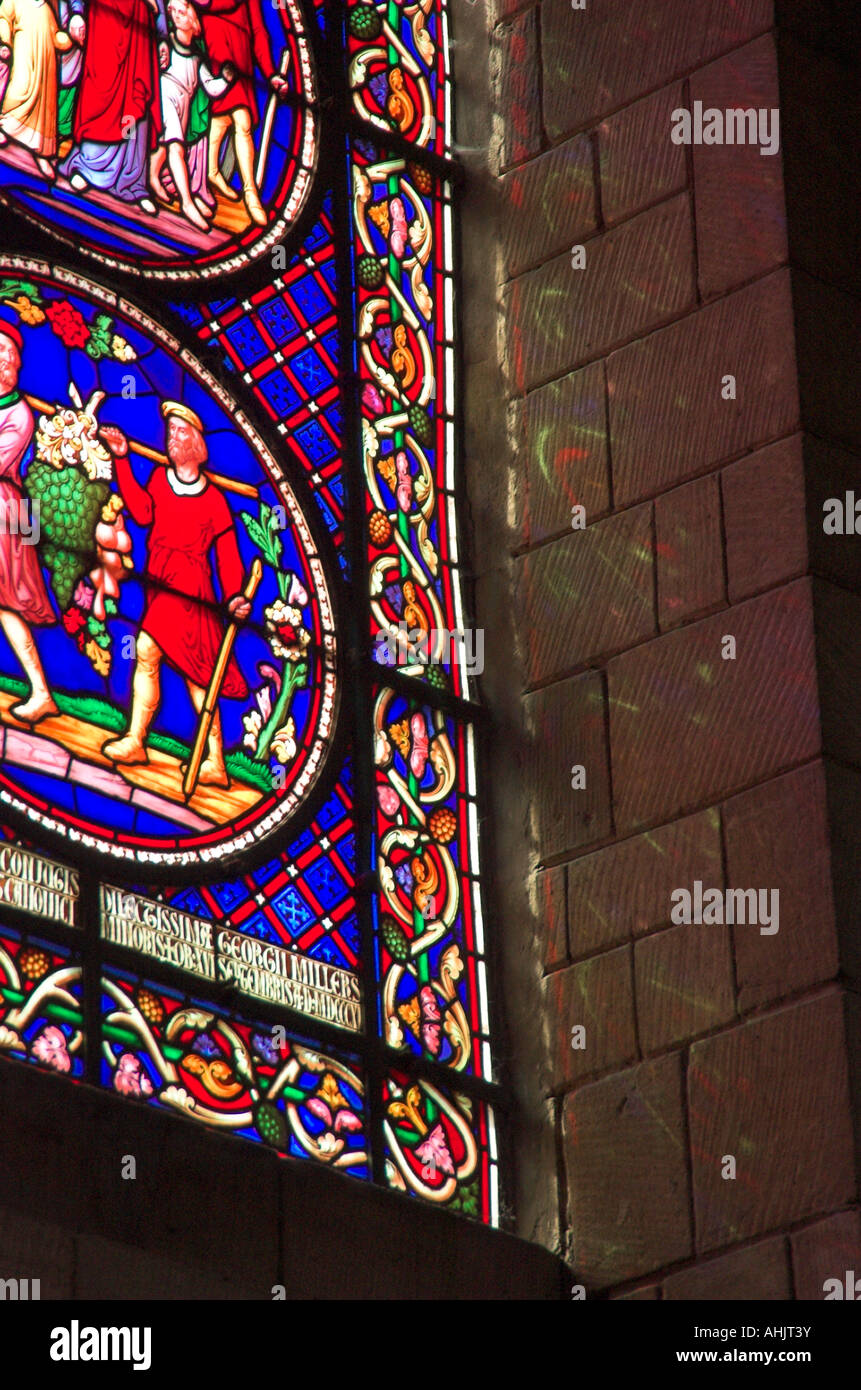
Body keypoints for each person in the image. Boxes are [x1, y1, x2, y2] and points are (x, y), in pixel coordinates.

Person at [99, 402, 251, 789]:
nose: (172, 438)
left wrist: (233, 596)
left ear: (197, 444)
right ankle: (139, 741)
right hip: (160, 582)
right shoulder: (159, 480)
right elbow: (143, 513)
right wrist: (121, 461)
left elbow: (228, 555)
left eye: (181, 432)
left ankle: (213, 761)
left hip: (192, 590)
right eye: (170, 431)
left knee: (197, 673)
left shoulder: (215, 500)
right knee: (155, 657)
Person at [59, 0, 168, 215]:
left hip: (140, 25)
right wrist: (77, 12)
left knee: (134, 101)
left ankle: (133, 180)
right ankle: (89, 165)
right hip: (105, 17)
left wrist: (163, 35)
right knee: (99, 91)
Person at [0, 320, 57, 724]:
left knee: (9, 604)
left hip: (7, 511)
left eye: (5, 356)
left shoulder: (20, 415)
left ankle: (41, 692)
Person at [150, 0, 234, 232]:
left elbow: (211, 87)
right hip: (166, 93)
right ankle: (187, 203)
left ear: (193, 20)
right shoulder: (166, 45)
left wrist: (226, 79)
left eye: (182, 12)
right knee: (175, 145)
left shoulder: (197, 56)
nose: (177, 16)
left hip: (184, 101)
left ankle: (153, 177)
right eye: (173, 11)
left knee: (167, 145)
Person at [202, 0, 286, 226]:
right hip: (216, 49)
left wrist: (270, 73)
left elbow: (259, 31)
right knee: (240, 118)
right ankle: (250, 191)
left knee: (223, 120)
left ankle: (213, 173)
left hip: (241, 56)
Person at [0, 0, 74, 180]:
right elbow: (3, 19)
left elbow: (56, 36)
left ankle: (42, 152)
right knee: (19, 89)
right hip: (24, 56)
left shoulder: (47, 9)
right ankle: (6, 128)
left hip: (47, 69)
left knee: (45, 109)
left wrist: (67, 39)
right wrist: (5, 43)